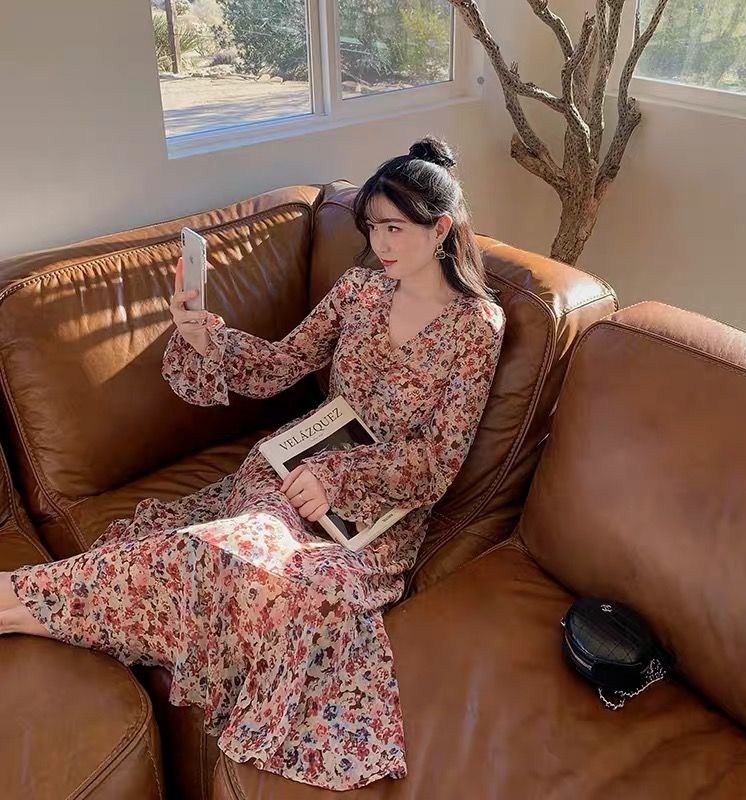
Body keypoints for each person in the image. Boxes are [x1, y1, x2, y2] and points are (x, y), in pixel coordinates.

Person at [0, 135, 506, 790]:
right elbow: (282, 363)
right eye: (371, 227)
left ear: (440, 229)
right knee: (232, 551)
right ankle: (17, 601)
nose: (379, 244)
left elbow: (438, 462)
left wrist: (338, 476)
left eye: (395, 228)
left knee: (271, 577)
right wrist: (205, 338)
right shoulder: (359, 290)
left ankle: (18, 602)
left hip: (376, 508)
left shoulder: (476, 326)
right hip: (290, 467)